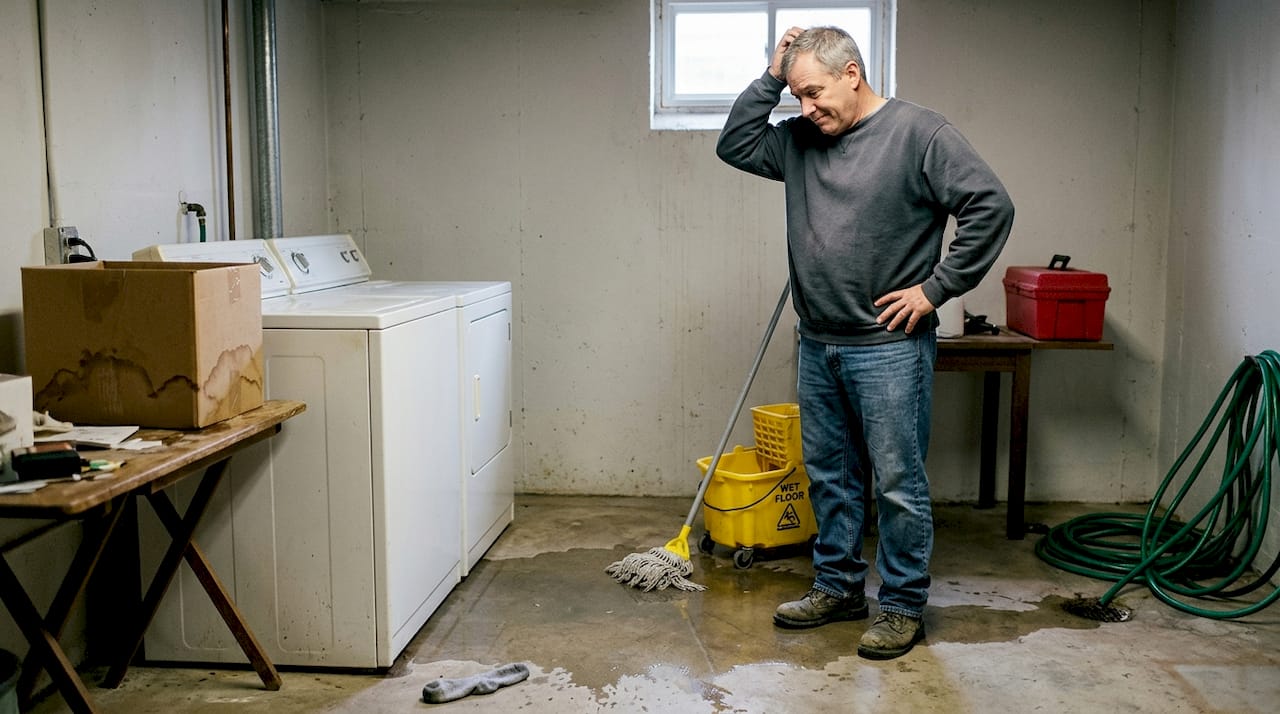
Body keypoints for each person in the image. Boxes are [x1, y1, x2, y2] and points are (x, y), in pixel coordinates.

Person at [716, 26, 1014, 660]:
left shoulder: (920, 134)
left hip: (888, 346)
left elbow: (990, 205)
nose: (806, 109)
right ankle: (839, 587)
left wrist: (937, 288)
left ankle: (903, 604)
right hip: (817, 338)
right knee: (832, 475)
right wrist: (772, 77)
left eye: (814, 92)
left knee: (898, 482)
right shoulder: (799, 140)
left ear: (852, 73)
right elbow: (735, 142)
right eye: (796, 96)